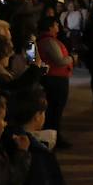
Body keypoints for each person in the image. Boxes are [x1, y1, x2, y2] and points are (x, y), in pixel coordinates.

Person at [35, 16, 73, 148]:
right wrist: (71, 58)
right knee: (55, 110)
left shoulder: (44, 40)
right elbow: (59, 60)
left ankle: (53, 137)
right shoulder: (48, 41)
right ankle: (53, 138)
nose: (58, 27)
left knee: (53, 110)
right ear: (50, 27)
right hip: (55, 79)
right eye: (56, 25)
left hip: (52, 78)